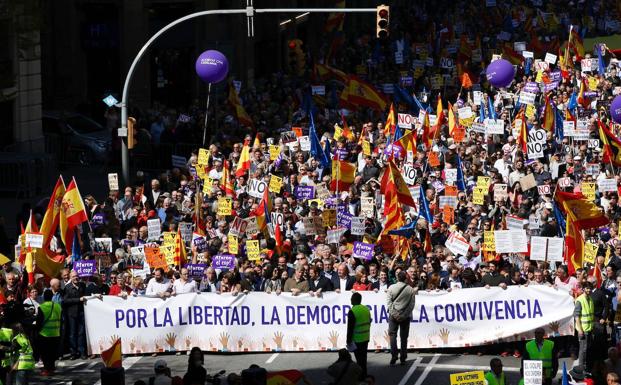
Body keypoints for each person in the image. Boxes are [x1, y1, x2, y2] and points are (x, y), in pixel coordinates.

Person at [386, 271, 417, 365]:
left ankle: (394, 355)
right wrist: (404, 315)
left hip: (393, 315)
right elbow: (411, 305)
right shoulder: (410, 289)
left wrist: (394, 314)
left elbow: (389, 302)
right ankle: (403, 357)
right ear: (405, 278)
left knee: (392, 335)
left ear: (397, 278)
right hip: (405, 316)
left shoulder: (391, 287)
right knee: (403, 337)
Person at [62, 270, 88, 359]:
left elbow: (87, 297)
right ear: (70, 278)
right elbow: (65, 301)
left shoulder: (83, 286)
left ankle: (82, 352)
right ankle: (73, 352)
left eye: (76, 276)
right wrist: (78, 300)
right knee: (72, 334)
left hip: (81, 312)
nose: (76, 278)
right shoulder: (67, 288)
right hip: (72, 314)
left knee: (81, 333)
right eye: (73, 276)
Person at [36, 289, 61, 376]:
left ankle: (47, 370)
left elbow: (39, 322)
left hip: (45, 334)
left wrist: (37, 330)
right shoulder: (58, 306)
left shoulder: (42, 307)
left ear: (44, 297)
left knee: (45, 353)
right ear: (52, 297)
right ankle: (52, 368)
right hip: (56, 333)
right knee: (52, 352)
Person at [346, 292, 370, 378]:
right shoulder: (366, 309)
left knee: (359, 360)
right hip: (366, 337)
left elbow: (350, 328)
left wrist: (348, 340)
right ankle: (365, 374)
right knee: (364, 358)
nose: (350, 300)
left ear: (354, 300)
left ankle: (361, 376)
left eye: (351, 298)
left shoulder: (352, 311)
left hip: (357, 339)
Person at [576, 281, 596, 373]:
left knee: (588, 350)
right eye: (587, 288)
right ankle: (581, 369)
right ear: (583, 289)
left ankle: (586, 369)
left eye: (590, 288)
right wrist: (580, 330)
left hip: (590, 329)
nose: (589, 290)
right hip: (583, 330)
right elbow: (576, 316)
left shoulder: (590, 299)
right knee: (583, 351)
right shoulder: (580, 300)